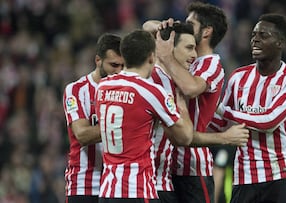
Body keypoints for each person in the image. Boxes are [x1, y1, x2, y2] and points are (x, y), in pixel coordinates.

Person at [147, 22, 249, 203]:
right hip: (159, 181)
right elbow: (184, 137)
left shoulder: (157, 75)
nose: (194, 55)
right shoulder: (162, 83)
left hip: (161, 178)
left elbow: (146, 29)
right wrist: (225, 137)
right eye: (188, 48)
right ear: (169, 46)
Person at [212, 13, 286, 203]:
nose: (255, 39)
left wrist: (221, 109)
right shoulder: (238, 77)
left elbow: (269, 122)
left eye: (263, 35)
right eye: (253, 35)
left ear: (280, 43)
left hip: (280, 176)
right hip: (244, 177)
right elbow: (217, 123)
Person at [95, 30, 194, 203]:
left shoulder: (102, 87)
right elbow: (185, 137)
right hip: (137, 190)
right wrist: (181, 104)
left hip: (107, 190)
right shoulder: (150, 91)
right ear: (151, 57)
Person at [154, 2, 229, 203]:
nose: (183, 25)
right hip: (168, 165)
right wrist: (167, 27)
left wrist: (167, 57)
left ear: (206, 32)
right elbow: (146, 28)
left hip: (193, 167)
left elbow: (190, 88)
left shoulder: (212, 65)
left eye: (189, 23)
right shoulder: (185, 56)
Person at [62, 33, 124, 203]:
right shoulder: (76, 90)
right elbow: (82, 135)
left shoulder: (126, 91)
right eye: (114, 65)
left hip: (116, 184)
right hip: (84, 184)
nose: (118, 71)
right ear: (98, 60)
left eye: (123, 66)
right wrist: (122, 125)